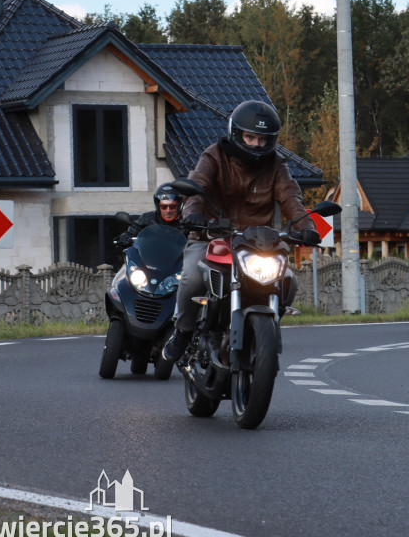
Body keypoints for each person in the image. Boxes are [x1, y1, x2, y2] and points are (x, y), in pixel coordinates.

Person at [162, 100, 319, 362]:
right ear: (236, 133)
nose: (256, 144)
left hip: (257, 243)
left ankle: (264, 330)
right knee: (190, 276)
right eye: (250, 137)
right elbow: (196, 186)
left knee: (289, 280)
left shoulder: (277, 165)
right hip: (211, 238)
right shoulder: (214, 155)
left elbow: (291, 198)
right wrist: (193, 215)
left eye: (263, 139)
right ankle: (183, 330)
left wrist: (307, 227)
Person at [114, 184, 185, 248]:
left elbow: (194, 233)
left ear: (179, 206)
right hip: (150, 257)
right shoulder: (147, 218)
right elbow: (134, 230)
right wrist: (125, 236)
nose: (168, 210)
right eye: (164, 207)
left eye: (172, 206)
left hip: (180, 258)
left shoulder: (185, 220)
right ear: (158, 206)